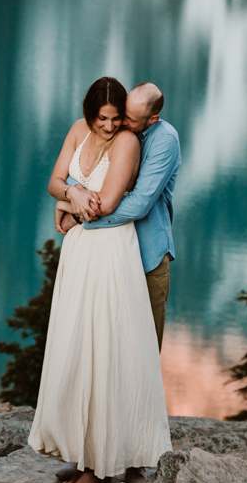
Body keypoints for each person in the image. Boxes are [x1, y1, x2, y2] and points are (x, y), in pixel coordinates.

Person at [28, 76, 171, 483]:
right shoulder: (77, 129)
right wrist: (68, 191)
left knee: (105, 351)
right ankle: (82, 448)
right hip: (79, 256)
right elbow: (54, 180)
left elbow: (106, 205)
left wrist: (70, 209)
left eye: (116, 118)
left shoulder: (129, 142)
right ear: (90, 113)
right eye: (103, 118)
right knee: (77, 346)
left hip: (111, 251)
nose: (110, 126)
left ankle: (100, 466)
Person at [61, 80, 179, 352]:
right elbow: (79, 172)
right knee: (107, 349)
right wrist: (70, 195)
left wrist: (80, 216)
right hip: (111, 258)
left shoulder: (164, 141)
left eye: (129, 118)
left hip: (147, 257)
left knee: (142, 352)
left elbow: (139, 205)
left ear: (152, 119)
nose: (119, 123)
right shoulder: (119, 131)